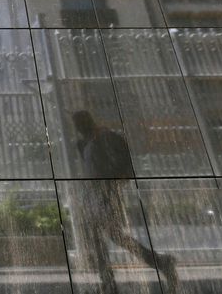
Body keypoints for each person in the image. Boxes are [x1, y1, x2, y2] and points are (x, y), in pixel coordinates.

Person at [72, 111, 179, 294]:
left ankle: (109, 282)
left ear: (88, 121)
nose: (78, 128)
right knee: (110, 237)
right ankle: (159, 263)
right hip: (96, 195)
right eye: (76, 125)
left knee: (103, 237)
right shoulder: (87, 143)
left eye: (80, 123)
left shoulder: (105, 137)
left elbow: (123, 161)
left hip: (106, 194)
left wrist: (117, 183)